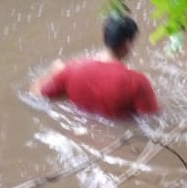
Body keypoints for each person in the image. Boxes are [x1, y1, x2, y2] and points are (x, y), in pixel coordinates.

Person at [31, 13, 159, 119]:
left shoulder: (71, 69)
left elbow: (35, 94)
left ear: (105, 37)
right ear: (128, 43)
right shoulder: (137, 82)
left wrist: (53, 72)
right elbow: (152, 120)